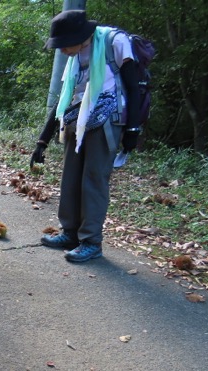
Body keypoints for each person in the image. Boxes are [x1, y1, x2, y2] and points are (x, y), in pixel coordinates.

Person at [31, 10, 140, 262]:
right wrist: (42, 139)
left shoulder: (115, 42)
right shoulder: (75, 54)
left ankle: (91, 241)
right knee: (70, 177)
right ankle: (70, 233)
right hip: (75, 119)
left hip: (107, 120)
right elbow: (65, 99)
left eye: (63, 45)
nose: (62, 51)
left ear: (81, 37)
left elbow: (133, 88)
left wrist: (133, 130)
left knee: (93, 180)